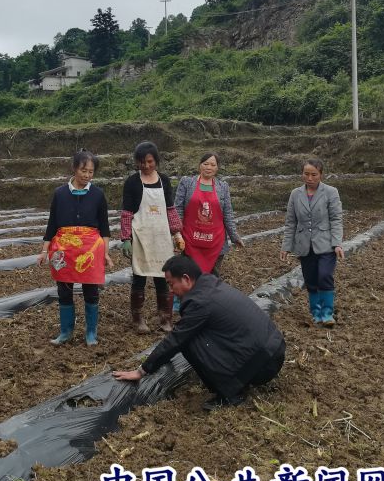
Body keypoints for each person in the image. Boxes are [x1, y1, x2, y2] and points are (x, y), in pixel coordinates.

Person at [113, 255, 286, 411]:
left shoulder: (200, 302)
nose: (170, 290)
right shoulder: (209, 284)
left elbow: (176, 339)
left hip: (264, 365)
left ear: (186, 279)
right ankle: (235, 377)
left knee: (189, 341)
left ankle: (231, 393)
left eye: (171, 284)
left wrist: (142, 371)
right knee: (198, 335)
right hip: (273, 350)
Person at [37, 150, 113, 346]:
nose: (87, 175)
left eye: (91, 172)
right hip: (64, 248)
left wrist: (106, 253)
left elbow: (104, 227)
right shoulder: (60, 194)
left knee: (91, 290)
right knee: (64, 290)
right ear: (74, 168)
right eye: (83, 170)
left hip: (90, 248)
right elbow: (52, 225)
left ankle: (91, 333)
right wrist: (44, 251)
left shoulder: (98, 195)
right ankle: (66, 332)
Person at [120, 141, 183, 333]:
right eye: (142, 162)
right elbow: (127, 213)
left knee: (163, 277)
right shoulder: (132, 182)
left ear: (156, 160)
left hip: (161, 236)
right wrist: (126, 239)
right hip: (141, 236)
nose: (146, 166)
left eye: (150, 161)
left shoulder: (164, 180)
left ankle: (165, 318)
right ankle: (138, 319)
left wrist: (177, 234)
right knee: (139, 277)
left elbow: (170, 209)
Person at [280, 158, 344, 327]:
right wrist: (286, 246)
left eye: (314, 174)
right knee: (310, 280)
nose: (309, 178)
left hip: (326, 244)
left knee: (324, 275)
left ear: (321, 174)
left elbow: (336, 219)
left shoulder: (331, 192)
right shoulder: (295, 194)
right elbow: (291, 222)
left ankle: (327, 314)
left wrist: (337, 243)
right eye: (306, 174)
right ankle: (316, 313)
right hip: (304, 245)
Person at [174, 152, 244, 277]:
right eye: (206, 164)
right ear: (200, 165)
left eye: (213, 165)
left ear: (217, 168)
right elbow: (178, 209)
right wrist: (177, 234)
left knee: (212, 278)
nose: (209, 167)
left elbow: (227, 214)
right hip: (190, 241)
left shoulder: (223, 187)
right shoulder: (187, 183)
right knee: (189, 277)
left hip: (215, 241)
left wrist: (234, 236)